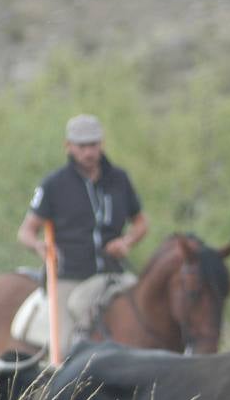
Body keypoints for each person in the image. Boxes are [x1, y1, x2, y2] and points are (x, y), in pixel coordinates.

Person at [17, 114, 149, 350]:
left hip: (113, 274)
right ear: (69, 146)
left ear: (102, 144)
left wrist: (126, 242)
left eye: (93, 144)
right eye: (82, 146)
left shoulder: (119, 179)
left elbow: (141, 223)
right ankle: (62, 382)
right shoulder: (54, 184)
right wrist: (40, 246)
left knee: (148, 312)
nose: (88, 152)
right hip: (70, 276)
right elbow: (26, 231)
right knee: (65, 346)